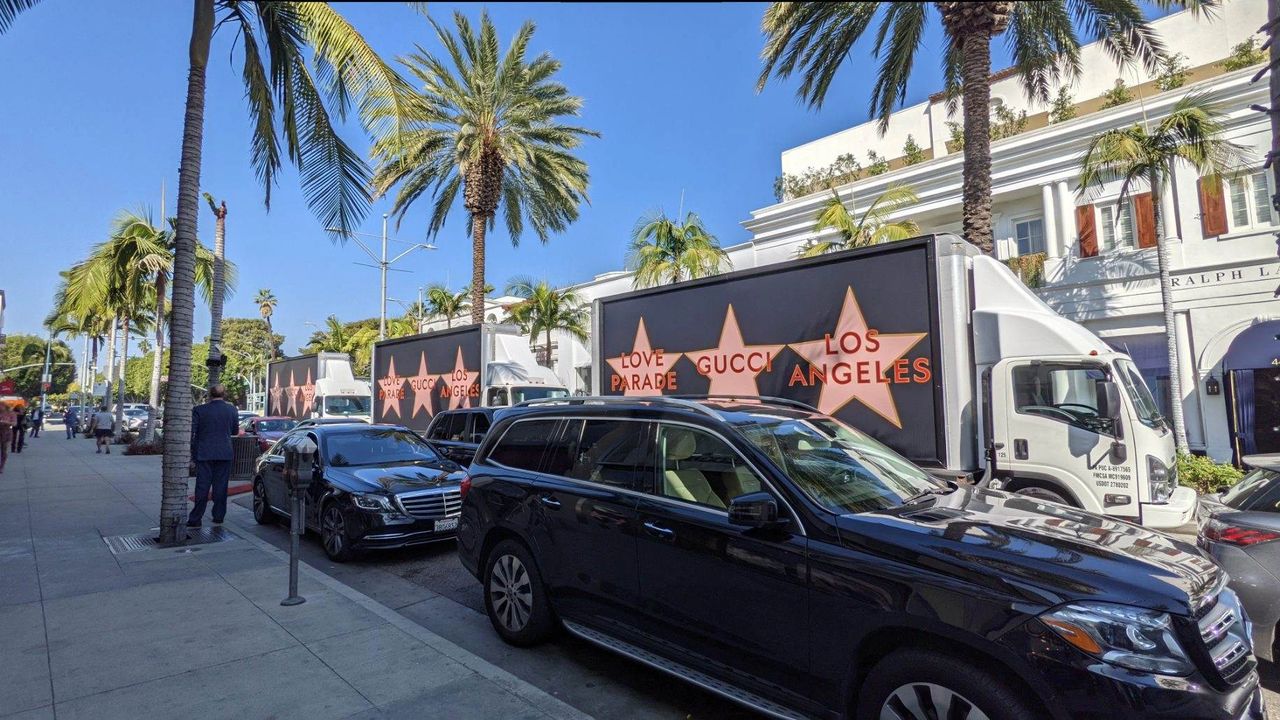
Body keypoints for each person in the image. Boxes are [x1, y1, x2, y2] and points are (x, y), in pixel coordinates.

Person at [187, 384, 240, 528]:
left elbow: (192, 431)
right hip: (224, 453)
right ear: (225, 394)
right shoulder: (231, 410)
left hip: (204, 453)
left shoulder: (199, 410)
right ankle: (218, 516)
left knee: (202, 486)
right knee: (221, 487)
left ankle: (196, 518)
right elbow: (235, 431)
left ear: (209, 395)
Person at [0, 401, 14, 474]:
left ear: (5, 406)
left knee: (4, 451)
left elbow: (14, 423)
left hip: (7, 433)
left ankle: (2, 466)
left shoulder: (11, 413)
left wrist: (6, 422)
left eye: (1, 406)